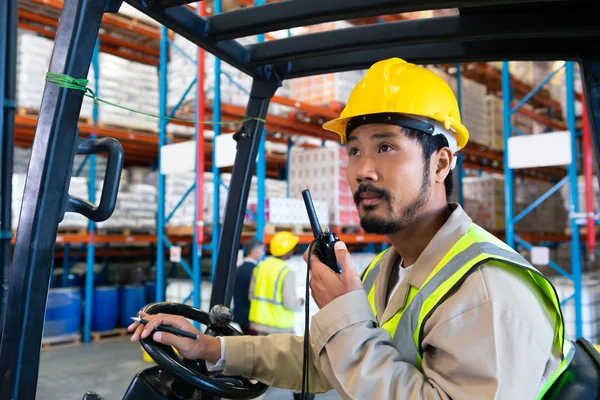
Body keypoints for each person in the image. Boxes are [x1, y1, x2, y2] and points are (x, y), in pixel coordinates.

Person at [130, 58, 571, 399]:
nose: (364, 170)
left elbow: (354, 348)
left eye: (385, 146)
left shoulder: (485, 293)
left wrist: (344, 317)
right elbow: (330, 358)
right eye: (354, 151)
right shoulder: (389, 268)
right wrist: (214, 350)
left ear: (441, 162)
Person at [248, 231, 304, 335]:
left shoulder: (261, 266)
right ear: (287, 250)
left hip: (260, 323)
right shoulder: (287, 272)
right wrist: (300, 302)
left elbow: (251, 295)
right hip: (280, 326)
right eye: (292, 248)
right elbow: (290, 304)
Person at [233, 238, 264, 335]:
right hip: (253, 317)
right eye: (261, 249)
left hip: (240, 316)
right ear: (254, 251)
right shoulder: (257, 271)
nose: (262, 253)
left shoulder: (237, 270)